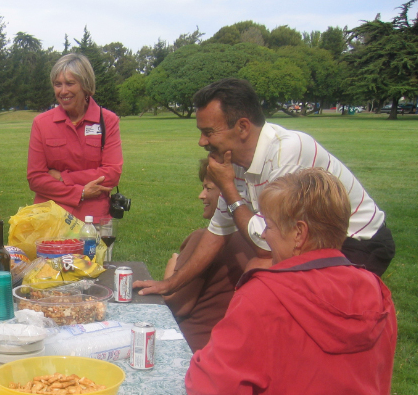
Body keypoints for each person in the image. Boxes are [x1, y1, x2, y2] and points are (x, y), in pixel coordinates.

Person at [185, 169, 407, 395]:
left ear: (299, 234)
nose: (264, 233)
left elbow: (205, 382)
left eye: (269, 224)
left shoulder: (267, 296)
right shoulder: (376, 291)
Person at [135, 78, 394, 297]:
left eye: (209, 132)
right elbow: (216, 233)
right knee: (261, 274)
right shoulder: (233, 159)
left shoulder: (287, 151)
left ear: (243, 127)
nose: (201, 141)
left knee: (279, 285)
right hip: (307, 239)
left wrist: (226, 186)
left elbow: (266, 245)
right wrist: (170, 284)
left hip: (359, 240)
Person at [163, 159, 256, 352]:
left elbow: (176, 305)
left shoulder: (203, 240)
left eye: (208, 188)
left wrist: (172, 265)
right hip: (236, 349)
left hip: (192, 349)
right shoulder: (262, 243)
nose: (201, 195)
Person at [27, 53, 122, 220]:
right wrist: (82, 192)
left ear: (85, 85)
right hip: (50, 219)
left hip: (94, 221)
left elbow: (112, 173)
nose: (63, 91)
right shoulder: (41, 123)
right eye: (58, 84)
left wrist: (63, 177)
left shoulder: (108, 121)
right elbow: (36, 178)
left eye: (70, 83)